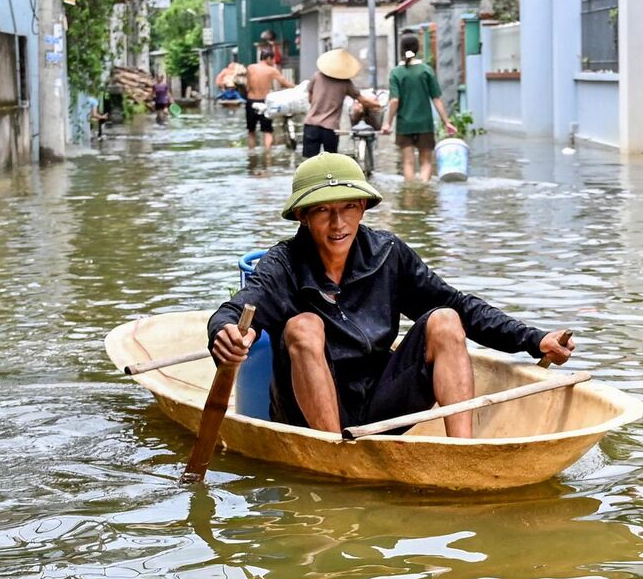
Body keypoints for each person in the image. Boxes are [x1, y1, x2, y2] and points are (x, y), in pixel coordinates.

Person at [208, 153, 575, 438]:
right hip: (308, 412)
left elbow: (461, 305)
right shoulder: (283, 264)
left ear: (363, 208)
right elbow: (237, 310)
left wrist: (534, 339)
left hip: (380, 403)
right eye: (323, 211)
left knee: (446, 318)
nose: (338, 224)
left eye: (348, 207)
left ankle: (463, 451)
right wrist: (225, 332)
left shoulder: (387, 253)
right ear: (303, 216)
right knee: (304, 326)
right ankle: (332, 453)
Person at [381, 34, 456, 182]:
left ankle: (410, 196)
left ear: (402, 49)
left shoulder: (396, 72)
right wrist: (446, 121)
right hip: (424, 124)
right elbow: (436, 99)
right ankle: (424, 193)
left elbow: (394, 100)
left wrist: (388, 123)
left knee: (408, 163)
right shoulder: (426, 70)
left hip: (404, 124)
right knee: (426, 162)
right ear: (418, 49)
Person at [303, 49, 381, 158]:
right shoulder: (345, 83)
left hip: (311, 124)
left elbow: (310, 96)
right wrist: (378, 104)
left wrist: (317, 106)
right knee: (331, 162)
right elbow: (361, 100)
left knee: (309, 162)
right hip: (330, 128)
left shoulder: (317, 76)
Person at [237, 47, 294, 151]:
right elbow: (285, 83)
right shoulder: (272, 70)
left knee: (251, 131)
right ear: (268, 58)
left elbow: (248, 86)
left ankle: (252, 157)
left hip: (251, 101)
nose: (273, 62)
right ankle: (268, 157)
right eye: (272, 59)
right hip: (265, 102)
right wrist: (297, 87)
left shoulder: (250, 68)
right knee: (267, 131)